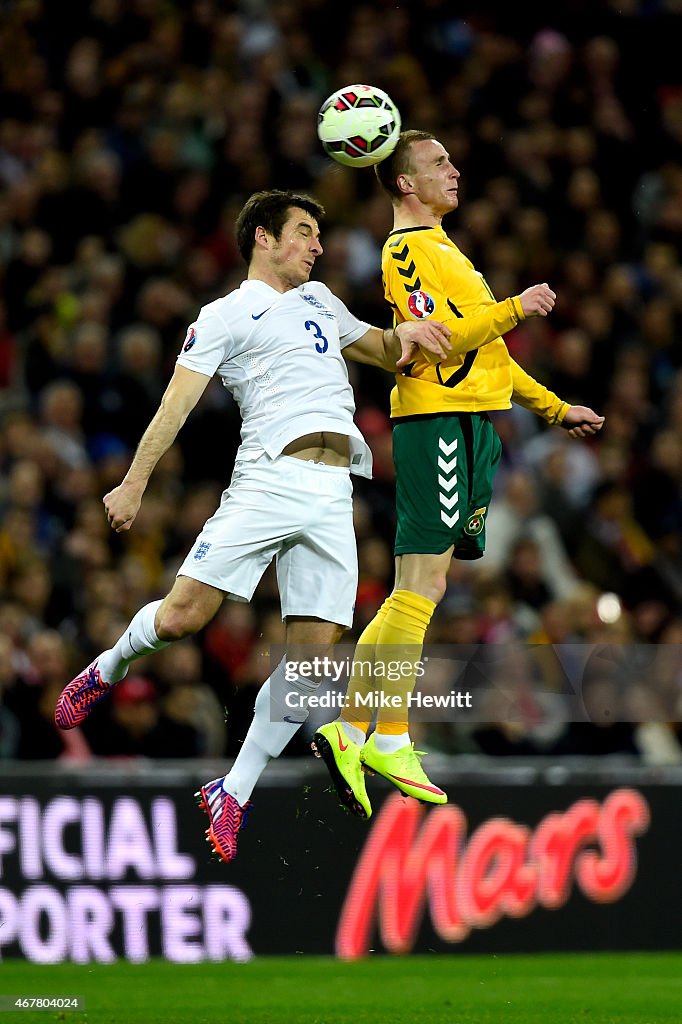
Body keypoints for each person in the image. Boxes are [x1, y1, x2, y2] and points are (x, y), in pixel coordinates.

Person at [54, 189, 453, 862]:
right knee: (183, 617)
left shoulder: (321, 300)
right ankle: (109, 666)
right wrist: (134, 481)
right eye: (304, 233)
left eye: (319, 236)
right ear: (264, 237)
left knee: (312, 661)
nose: (318, 246)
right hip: (270, 478)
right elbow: (176, 401)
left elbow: (383, 350)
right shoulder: (226, 314)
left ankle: (232, 790)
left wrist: (407, 336)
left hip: (334, 494)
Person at [313, 131, 604, 817]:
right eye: (439, 162)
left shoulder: (446, 251)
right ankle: (387, 734)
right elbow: (435, 349)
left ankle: (352, 727)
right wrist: (514, 307)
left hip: (470, 426)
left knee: (425, 584)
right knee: (422, 583)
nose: (455, 169)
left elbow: (492, 357)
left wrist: (556, 408)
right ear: (406, 183)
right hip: (434, 423)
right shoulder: (406, 251)